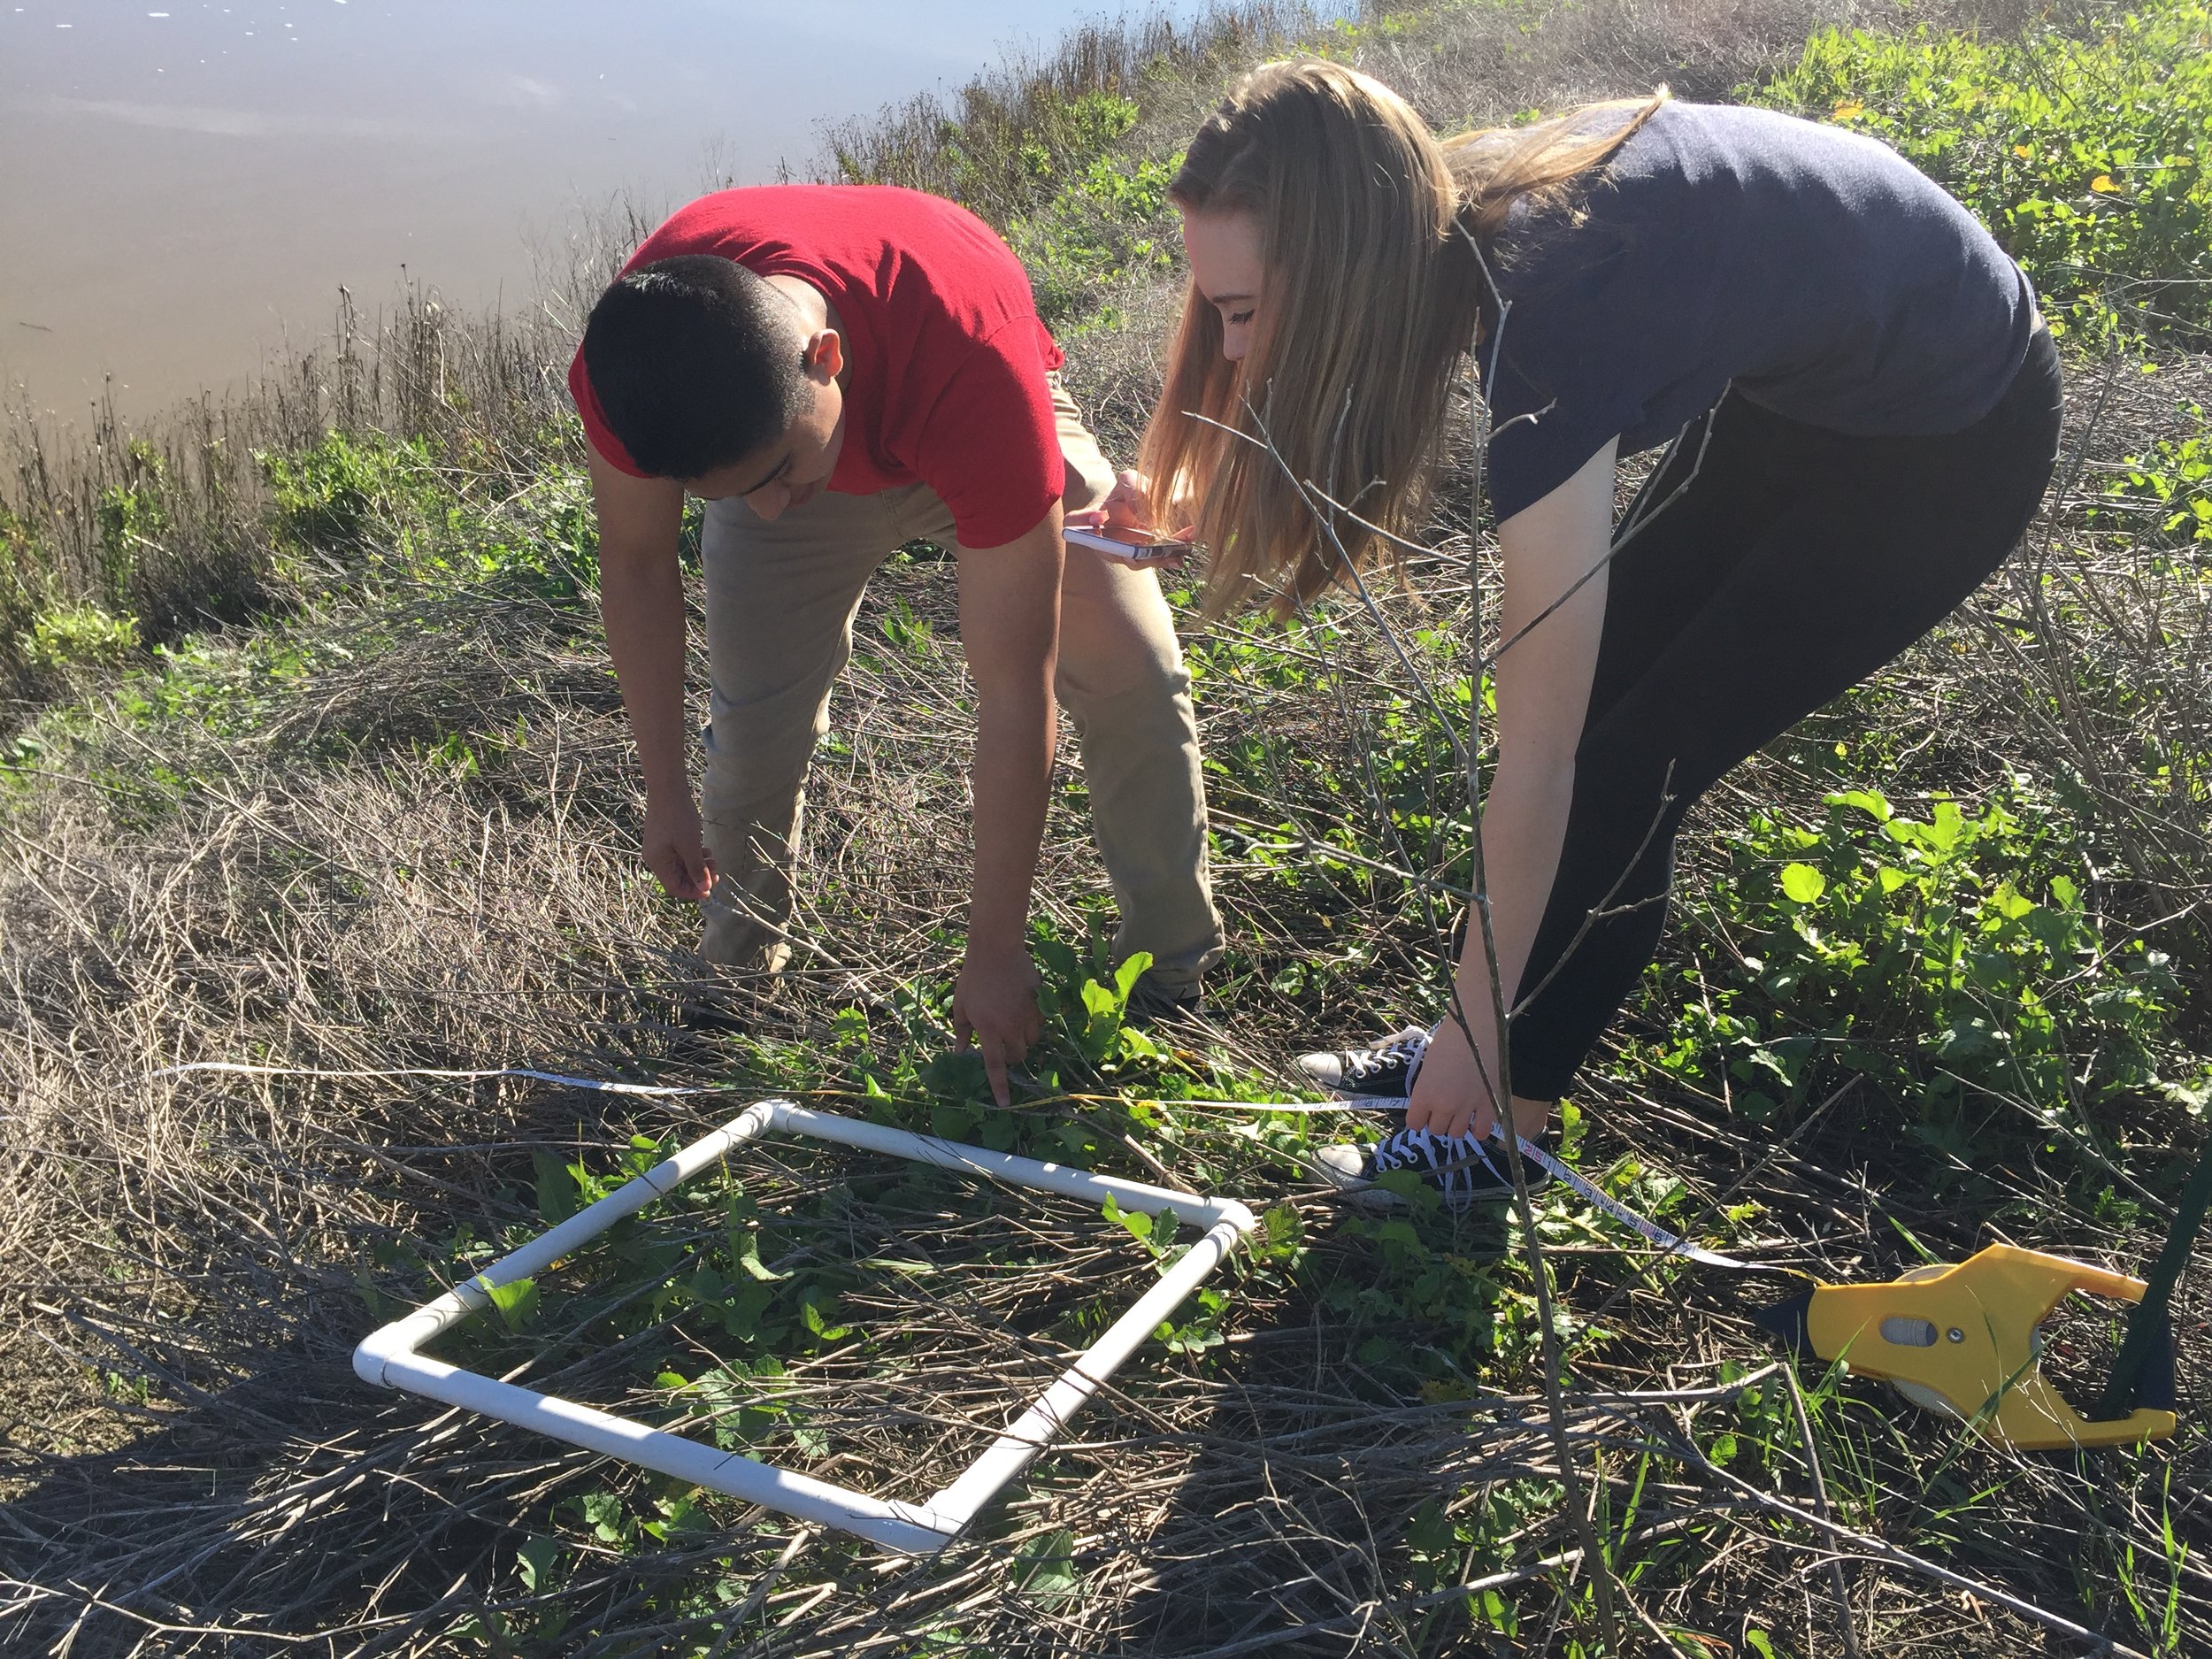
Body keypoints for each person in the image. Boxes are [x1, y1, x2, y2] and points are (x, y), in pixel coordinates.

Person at [1100, 62, 2060, 1203]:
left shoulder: (1555, 306)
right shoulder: (1426, 206)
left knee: (1619, 769)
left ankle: (1496, 1123)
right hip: (1813, 392)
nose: (1235, 345)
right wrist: (1186, 493)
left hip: (1954, 430)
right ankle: (1488, 1044)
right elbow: (1301, 375)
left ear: (1343, 267)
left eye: (1244, 312)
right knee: (1604, 721)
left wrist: (1471, 1022)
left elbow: (1539, 760)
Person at [572, 186, 1225, 1104]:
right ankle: (731, 988)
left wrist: (993, 955)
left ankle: (1170, 978)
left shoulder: (970, 361)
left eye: (768, 480)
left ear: (825, 359)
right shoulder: (641, 362)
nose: (761, 511)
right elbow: (638, 564)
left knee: (1135, 673)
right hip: (796, 429)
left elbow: (1012, 691)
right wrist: (665, 791)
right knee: (752, 739)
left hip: (956, 401)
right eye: (723, 495)